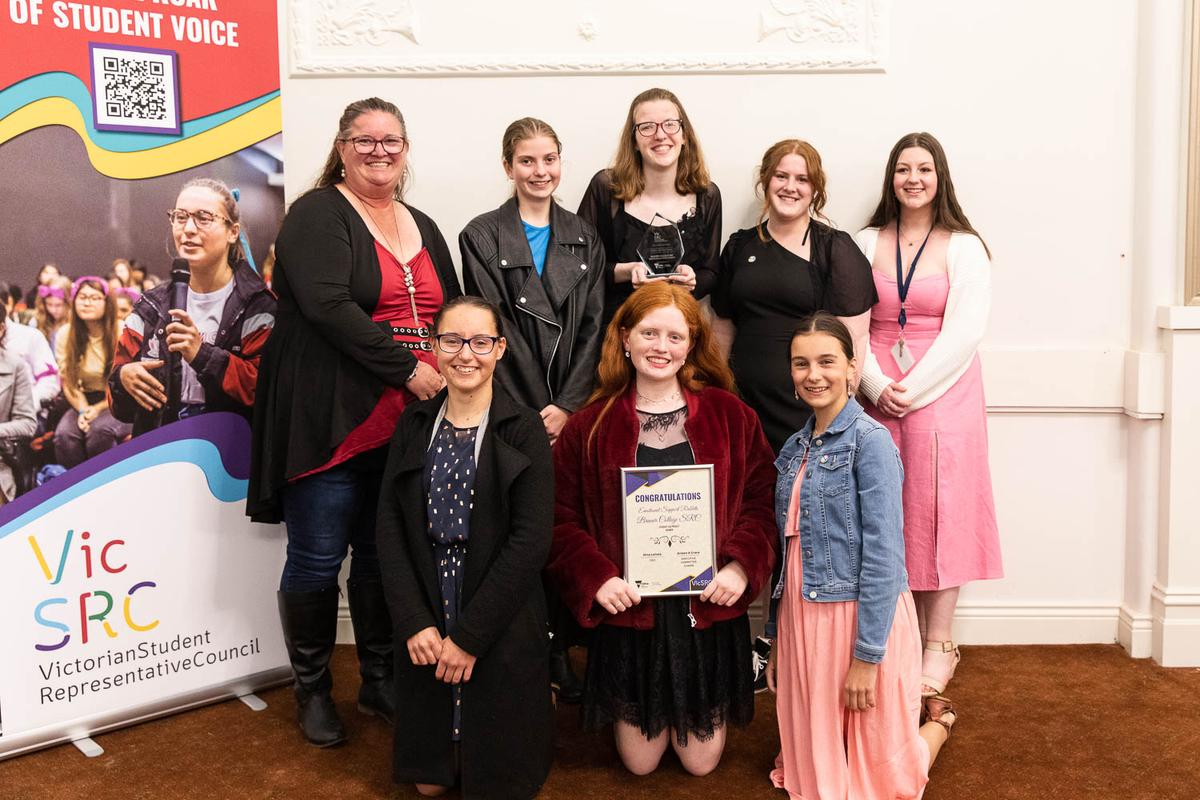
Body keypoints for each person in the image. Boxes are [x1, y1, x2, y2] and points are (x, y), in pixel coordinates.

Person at [248, 97, 462, 748]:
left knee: (381, 552)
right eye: (363, 140)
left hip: (406, 423)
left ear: (406, 149)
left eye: (391, 140)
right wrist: (407, 367)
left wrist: (458, 365)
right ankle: (312, 690)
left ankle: (377, 678)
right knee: (317, 555)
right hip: (332, 417)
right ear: (341, 148)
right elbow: (328, 306)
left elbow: (450, 308)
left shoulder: (422, 222)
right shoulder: (316, 213)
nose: (379, 151)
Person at [546, 282, 776, 777]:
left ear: (691, 343)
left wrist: (740, 567)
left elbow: (762, 502)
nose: (661, 347)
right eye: (649, 333)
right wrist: (597, 578)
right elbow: (560, 520)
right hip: (632, 613)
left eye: (675, 336)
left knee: (700, 763)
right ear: (625, 338)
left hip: (707, 610)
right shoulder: (588, 427)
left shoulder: (731, 415)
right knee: (640, 763)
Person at [765, 312, 956, 800]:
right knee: (815, 779)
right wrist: (775, 641)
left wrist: (866, 658)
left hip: (859, 615)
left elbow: (885, 558)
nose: (814, 374)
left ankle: (938, 723)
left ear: (853, 369)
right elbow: (786, 553)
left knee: (881, 783)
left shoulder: (871, 444)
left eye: (827, 361)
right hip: (804, 614)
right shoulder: (791, 449)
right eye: (801, 363)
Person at [377, 295, 553, 798]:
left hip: (497, 603)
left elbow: (530, 540)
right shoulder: (413, 425)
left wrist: (471, 638)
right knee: (430, 785)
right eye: (452, 341)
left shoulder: (524, 432)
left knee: (498, 783)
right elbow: (389, 525)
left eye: (480, 341)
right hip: (431, 599)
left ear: (500, 349)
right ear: (434, 347)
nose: (465, 354)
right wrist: (414, 620)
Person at [459, 116, 605, 703]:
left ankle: (563, 652)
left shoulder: (584, 236)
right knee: (516, 535)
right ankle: (526, 655)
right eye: (527, 161)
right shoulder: (482, 235)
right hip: (510, 411)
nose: (540, 172)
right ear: (507, 166)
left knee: (568, 529)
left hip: (570, 413)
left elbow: (596, 328)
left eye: (549, 160)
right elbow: (494, 333)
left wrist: (567, 406)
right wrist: (532, 411)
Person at [854, 132, 1002, 699]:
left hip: (945, 390)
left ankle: (939, 642)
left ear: (940, 177)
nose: (913, 179)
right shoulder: (865, 240)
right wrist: (875, 382)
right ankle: (891, 636)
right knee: (884, 508)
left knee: (941, 508)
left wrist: (909, 388)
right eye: (902, 169)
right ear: (890, 179)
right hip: (875, 386)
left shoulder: (964, 245)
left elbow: (966, 330)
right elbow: (851, 319)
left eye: (924, 169)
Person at [711, 139, 876, 454]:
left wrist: (842, 407)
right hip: (745, 407)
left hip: (809, 407)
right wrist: (719, 393)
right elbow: (721, 330)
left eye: (802, 179)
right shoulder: (738, 246)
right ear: (766, 181)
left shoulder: (835, 249)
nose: (790, 187)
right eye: (781, 176)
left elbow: (855, 336)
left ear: (815, 189)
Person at [109, 178, 275, 435]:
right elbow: (118, 405)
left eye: (203, 218)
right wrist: (123, 379)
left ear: (233, 232)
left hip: (233, 451)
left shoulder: (258, 306)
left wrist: (201, 354)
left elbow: (269, 391)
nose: (188, 228)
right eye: (180, 216)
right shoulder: (150, 307)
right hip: (162, 449)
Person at [577, 88, 722, 328]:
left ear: (685, 135)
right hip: (617, 329)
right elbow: (578, 267)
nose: (660, 135)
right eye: (647, 127)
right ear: (633, 140)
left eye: (670, 124)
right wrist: (628, 271)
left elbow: (711, 272)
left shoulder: (707, 196)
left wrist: (692, 280)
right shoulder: (606, 188)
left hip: (679, 333)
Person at [53, 277, 130, 467]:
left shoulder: (121, 330)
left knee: (98, 432)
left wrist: (96, 410)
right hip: (84, 400)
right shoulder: (65, 333)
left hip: (119, 400)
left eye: (95, 298)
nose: (87, 302)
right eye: (82, 297)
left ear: (107, 303)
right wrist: (83, 410)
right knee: (64, 436)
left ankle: (107, 487)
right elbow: (68, 382)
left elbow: (127, 383)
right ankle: (72, 490)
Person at [32, 276, 71, 351]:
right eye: (49, 304)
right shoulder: (36, 322)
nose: (53, 310)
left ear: (69, 303)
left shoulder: (76, 325)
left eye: (58, 305)